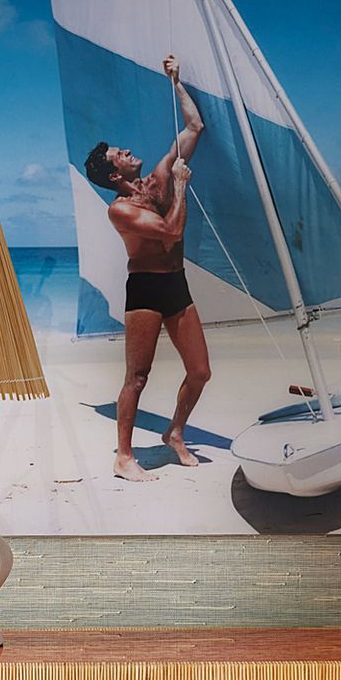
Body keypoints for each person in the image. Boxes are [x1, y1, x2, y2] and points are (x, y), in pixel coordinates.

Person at [83, 56, 211, 481]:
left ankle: (174, 432)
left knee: (200, 371)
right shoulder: (121, 210)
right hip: (145, 292)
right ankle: (123, 457)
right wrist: (182, 186)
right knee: (137, 377)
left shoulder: (156, 181)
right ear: (113, 173)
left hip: (176, 285)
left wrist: (176, 82)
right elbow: (171, 232)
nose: (126, 150)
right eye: (119, 153)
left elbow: (194, 129)